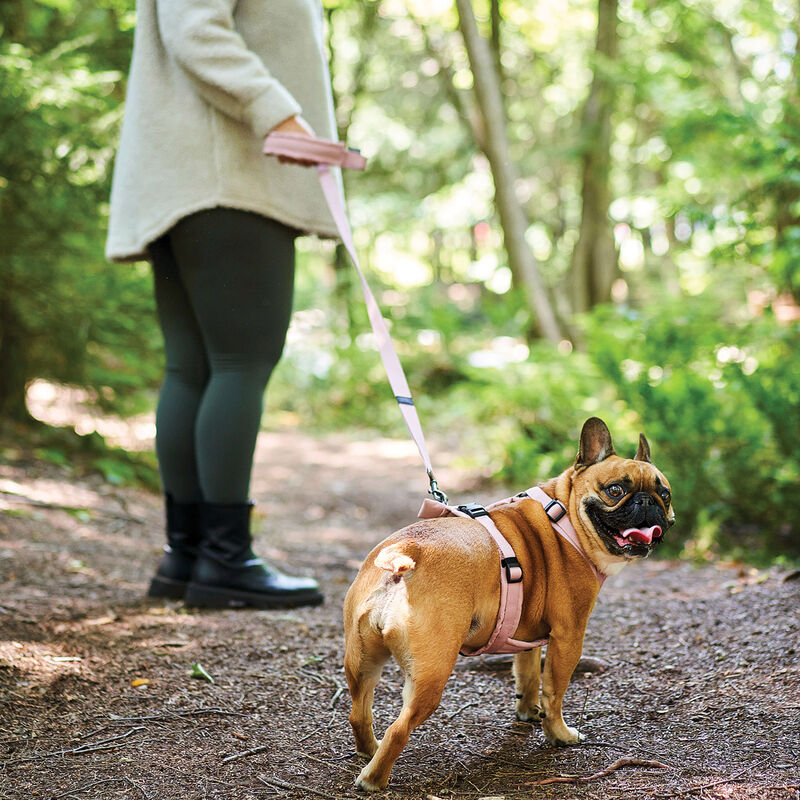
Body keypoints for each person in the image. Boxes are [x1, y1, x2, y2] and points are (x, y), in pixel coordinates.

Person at [106, 0, 344, 608]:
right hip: (228, 174)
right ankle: (223, 558)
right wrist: (279, 112)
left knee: (194, 367)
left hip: (188, 175)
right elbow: (196, 30)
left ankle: (188, 557)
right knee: (241, 362)